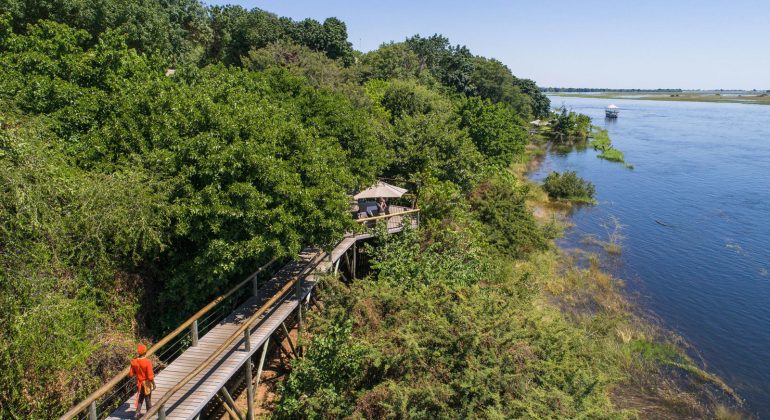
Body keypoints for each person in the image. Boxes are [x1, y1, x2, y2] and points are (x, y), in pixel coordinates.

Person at [129, 344, 156, 419]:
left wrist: (138, 374)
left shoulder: (134, 362)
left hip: (139, 382)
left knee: (141, 397)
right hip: (146, 382)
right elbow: (150, 376)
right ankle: (149, 412)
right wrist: (154, 384)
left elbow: (131, 374)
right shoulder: (147, 362)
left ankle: (137, 413)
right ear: (145, 352)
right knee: (147, 397)